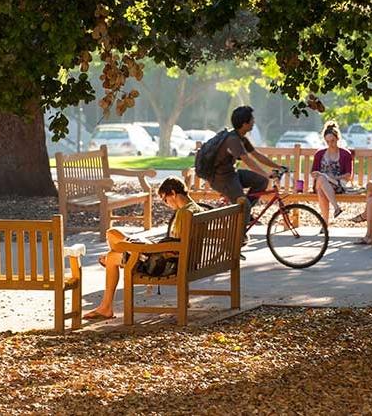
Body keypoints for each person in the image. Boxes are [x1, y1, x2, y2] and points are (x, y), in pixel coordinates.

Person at [83, 177, 203, 320]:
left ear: (173, 193)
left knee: (111, 257)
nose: (166, 204)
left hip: (163, 264)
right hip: (174, 259)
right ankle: (124, 259)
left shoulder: (184, 214)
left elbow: (174, 249)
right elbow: (177, 243)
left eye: (165, 199)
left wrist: (151, 247)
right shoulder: (196, 209)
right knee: (112, 233)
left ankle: (106, 306)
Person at [210, 106, 286, 222]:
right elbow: (248, 161)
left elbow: (257, 155)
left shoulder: (242, 138)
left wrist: (278, 167)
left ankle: (244, 212)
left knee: (261, 181)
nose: (254, 122)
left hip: (231, 174)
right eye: (252, 120)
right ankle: (240, 229)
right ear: (245, 123)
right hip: (221, 178)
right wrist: (267, 174)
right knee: (244, 205)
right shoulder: (233, 140)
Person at [311, 121, 353, 221]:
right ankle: (336, 208)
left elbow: (348, 175)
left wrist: (333, 178)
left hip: (337, 185)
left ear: (338, 138)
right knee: (321, 179)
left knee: (322, 190)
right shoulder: (320, 154)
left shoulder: (345, 154)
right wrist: (317, 175)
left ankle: (325, 224)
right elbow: (313, 172)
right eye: (328, 142)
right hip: (320, 182)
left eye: (333, 141)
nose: (330, 144)